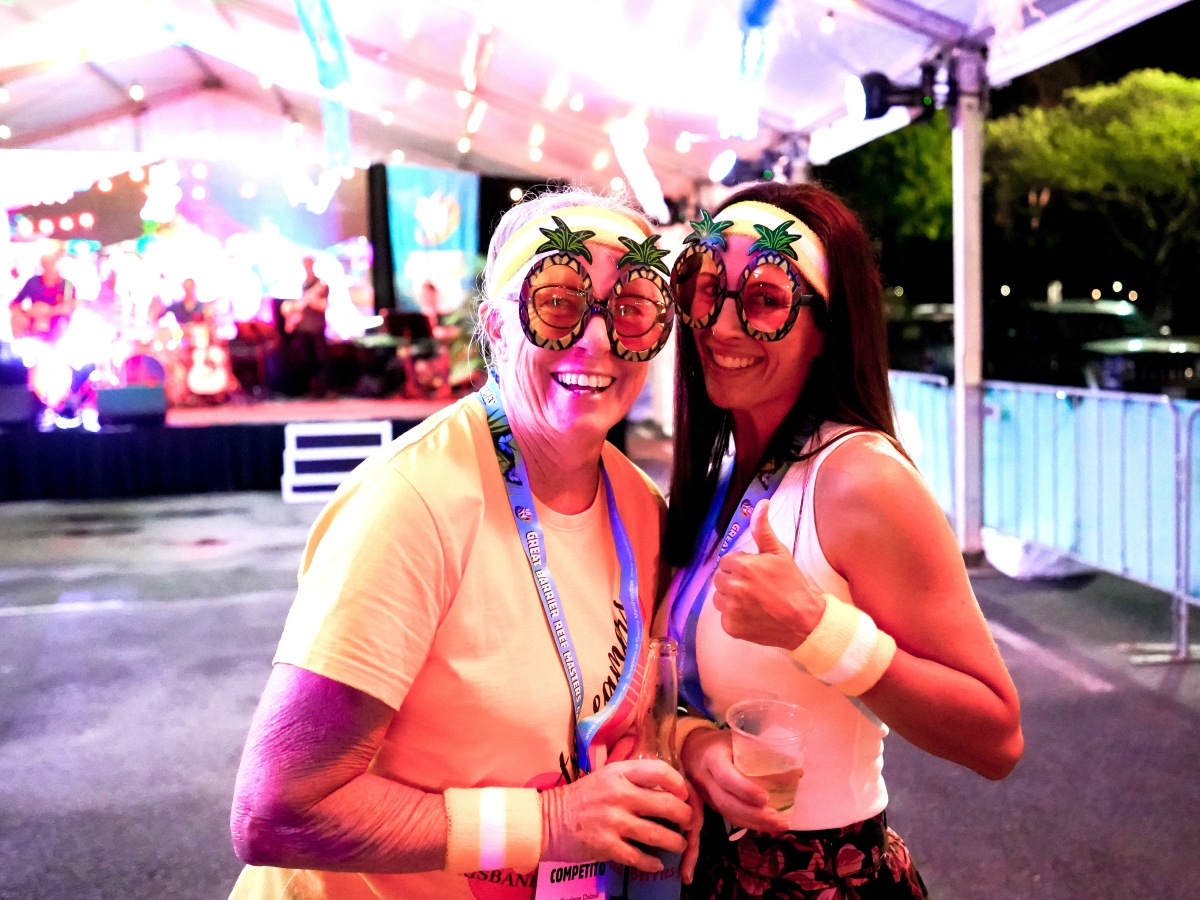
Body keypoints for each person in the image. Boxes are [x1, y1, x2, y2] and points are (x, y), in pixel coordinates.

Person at [228, 189, 693, 900]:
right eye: (559, 301)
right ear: (496, 326)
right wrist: (550, 823)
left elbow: (625, 711)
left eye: (629, 307)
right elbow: (277, 810)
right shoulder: (413, 503)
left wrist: (691, 750)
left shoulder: (642, 508)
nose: (596, 339)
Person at [663, 183, 1023, 899]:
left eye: (765, 300)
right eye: (707, 291)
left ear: (825, 328)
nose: (722, 326)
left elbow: (997, 737)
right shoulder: (724, 474)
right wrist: (694, 743)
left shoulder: (858, 478)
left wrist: (817, 630)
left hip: (824, 880)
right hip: (710, 870)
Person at [279, 256, 330, 396]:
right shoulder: (303, 285)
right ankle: (311, 387)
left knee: (320, 358)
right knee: (306, 359)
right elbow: (295, 307)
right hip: (303, 328)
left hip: (316, 327)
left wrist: (313, 301)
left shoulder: (321, 284)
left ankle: (322, 389)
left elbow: (324, 306)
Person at [9, 252, 74, 340]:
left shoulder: (67, 285)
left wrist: (47, 311)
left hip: (56, 326)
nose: (48, 267)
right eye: (45, 263)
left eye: (50, 263)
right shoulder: (33, 282)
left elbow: (67, 309)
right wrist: (23, 313)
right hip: (33, 322)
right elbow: (16, 302)